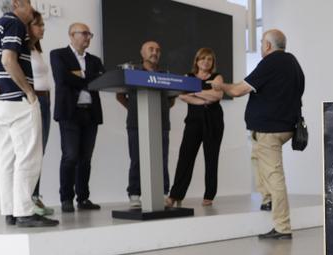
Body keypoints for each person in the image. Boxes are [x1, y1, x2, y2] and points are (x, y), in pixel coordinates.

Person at [210, 29, 304, 240]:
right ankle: (267, 198)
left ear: (268, 46)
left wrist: (219, 85)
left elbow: (237, 90)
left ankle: (282, 227)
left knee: (274, 175)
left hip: (270, 130)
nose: (261, 46)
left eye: (262, 42)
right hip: (285, 127)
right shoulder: (293, 63)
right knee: (257, 157)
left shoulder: (270, 63)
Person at [0, 0, 58, 228]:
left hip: (0, 103)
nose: (32, 9)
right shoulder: (15, 25)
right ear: (17, 4)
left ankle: (10, 211)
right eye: (29, 4)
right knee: (29, 157)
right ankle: (24, 211)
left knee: (7, 158)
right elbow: (8, 59)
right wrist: (29, 91)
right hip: (18, 100)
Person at [50, 22, 104, 213]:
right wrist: (87, 78)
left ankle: (83, 198)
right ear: (72, 35)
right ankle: (66, 198)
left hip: (90, 113)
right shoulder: (58, 55)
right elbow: (62, 79)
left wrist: (79, 76)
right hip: (69, 113)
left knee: (86, 159)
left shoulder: (95, 60)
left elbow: (100, 81)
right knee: (70, 156)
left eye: (90, 34)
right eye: (84, 33)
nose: (88, 37)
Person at [117, 41, 174, 208]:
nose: (155, 52)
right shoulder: (131, 73)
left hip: (161, 124)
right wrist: (138, 110)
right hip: (136, 123)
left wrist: (156, 111)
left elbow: (171, 99)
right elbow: (120, 96)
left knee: (161, 158)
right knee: (137, 158)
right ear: (142, 53)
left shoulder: (166, 74)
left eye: (158, 50)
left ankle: (163, 193)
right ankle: (134, 194)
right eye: (151, 49)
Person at [166, 48, 225, 208]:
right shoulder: (188, 77)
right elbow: (182, 95)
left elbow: (218, 96)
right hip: (193, 121)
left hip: (214, 121)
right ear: (197, 61)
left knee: (211, 158)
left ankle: (209, 195)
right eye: (203, 58)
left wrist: (195, 93)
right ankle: (175, 195)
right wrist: (205, 97)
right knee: (185, 157)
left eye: (209, 59)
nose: (206, 62)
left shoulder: (216, 77)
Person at [27, 10, 53, 216]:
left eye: (43, 25)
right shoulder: (24, 49)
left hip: (46, 99)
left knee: (40, 152)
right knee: (32, 151)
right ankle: (27, 198)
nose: (42, 28)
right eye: (39, 25)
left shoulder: (37, 50)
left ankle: (35, 196)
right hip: (34, 99)